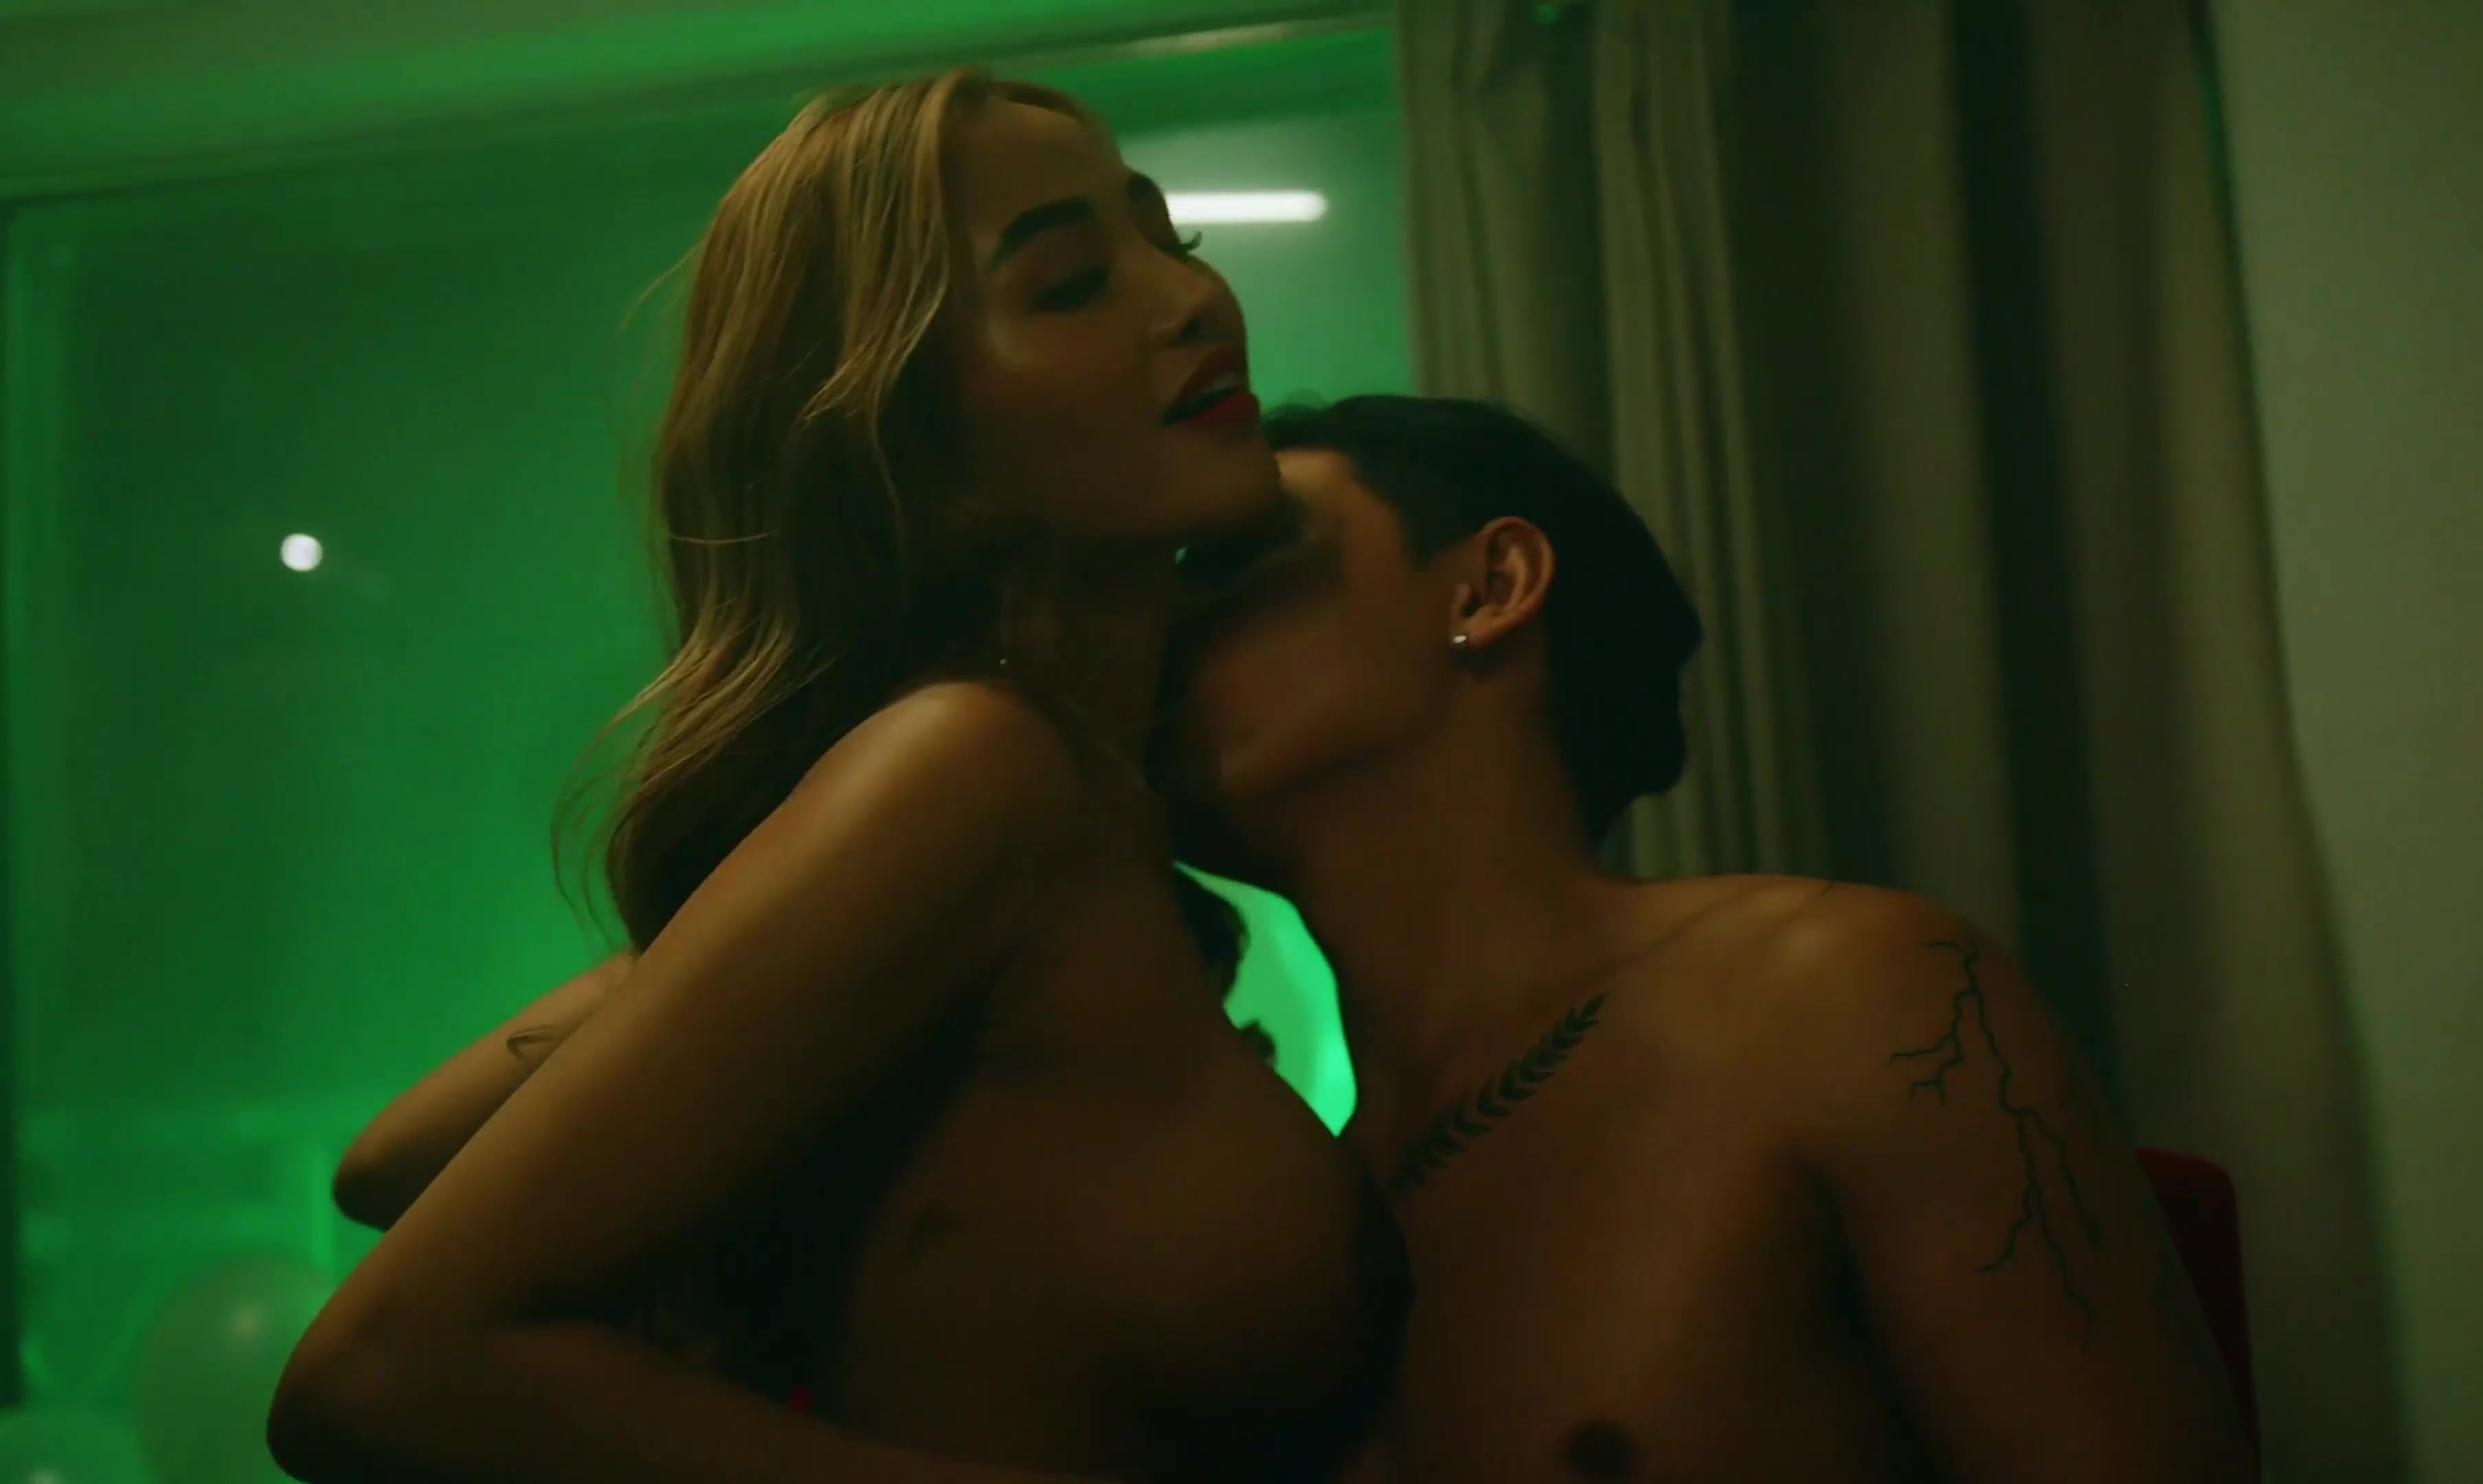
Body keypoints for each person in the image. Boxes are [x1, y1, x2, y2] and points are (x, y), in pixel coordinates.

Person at [348, 396, 2258, 1481]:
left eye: (1235, 569)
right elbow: (403, 1169)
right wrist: (859, 878)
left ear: (1486, 586)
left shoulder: (1843, 993)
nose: (1164, 626)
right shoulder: (1275, 1221)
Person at [267, 70, 1408, 1484]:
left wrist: (737, 952)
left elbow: (393, 1161)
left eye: (1167, 236)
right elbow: (380, 1367)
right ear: (909, 437)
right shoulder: (976, 763)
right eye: (1068, 283)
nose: (1190, 300)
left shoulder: (1068, 796)